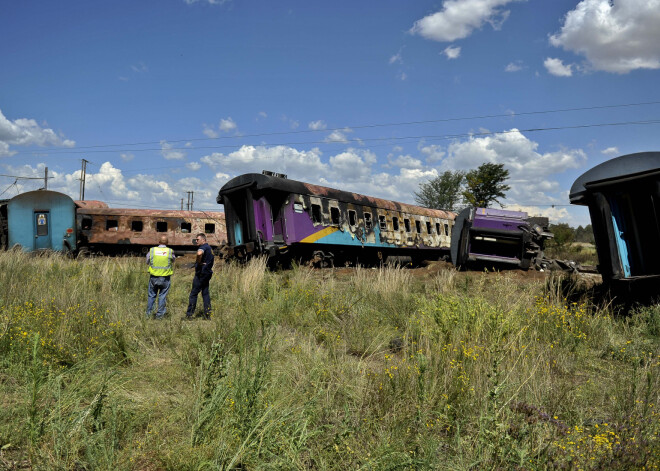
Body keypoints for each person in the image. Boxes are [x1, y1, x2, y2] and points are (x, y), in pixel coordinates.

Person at [146, 235, 175, 319]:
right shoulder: (170, 251)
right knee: (162, 296)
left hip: (153, 277)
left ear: (159, 241)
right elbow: (173, 260)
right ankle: (159, 316)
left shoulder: (152, 250)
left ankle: (148, 315)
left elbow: (147, 261)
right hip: (165, 278)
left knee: (151, 296)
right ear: (167, 242)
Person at [185, 233, 214, 319]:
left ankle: (189, 314)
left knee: (193, 294)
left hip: (201, 274)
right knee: (205, 293)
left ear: (203, 240)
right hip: (207, 273)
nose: (196, 241)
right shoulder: (209, 248)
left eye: (197, 239)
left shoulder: (203, 247)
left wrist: (199, 262)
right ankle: (208, 314)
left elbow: (199, 253)